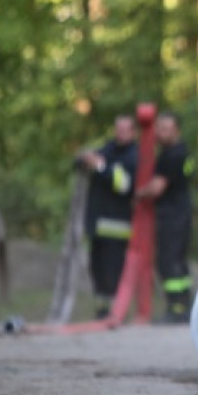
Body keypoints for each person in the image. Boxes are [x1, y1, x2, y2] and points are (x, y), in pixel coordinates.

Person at [76, 114, 138, 319]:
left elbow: (124, 185)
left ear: (133, 132)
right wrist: (85, 160)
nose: (119, 134)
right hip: (97, 224)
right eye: (117, 129)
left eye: (124, 129)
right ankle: (102, 310)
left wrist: (101, 167)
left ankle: (116, 313)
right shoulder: (108, 149)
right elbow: (82, 162)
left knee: (113, 271)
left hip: (117, 226)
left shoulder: (134, 155)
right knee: (97, 270)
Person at [137, 111, 195, 324]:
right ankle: (184, 306)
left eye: (165, 129)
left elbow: (157, 188)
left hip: (172, 215)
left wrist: (139, 193)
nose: (160, 133)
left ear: (176, 130)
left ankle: (176, 308)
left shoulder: (172, 154)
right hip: (181, 213)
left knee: (168, 262)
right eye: (158, 128)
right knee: (178, 260)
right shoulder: (180, 151)